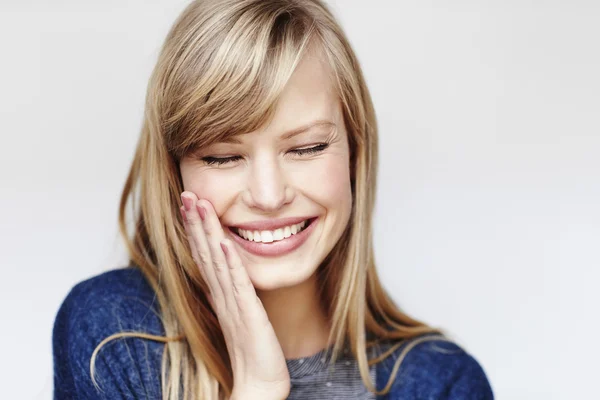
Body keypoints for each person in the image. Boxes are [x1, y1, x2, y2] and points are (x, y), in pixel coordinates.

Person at [52, 0, 494, 399]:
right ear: (175, 173)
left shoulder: (442, 384)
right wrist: (259, 389)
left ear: (355, 152)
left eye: (307, 149)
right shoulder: (116, 334)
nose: (269, 196)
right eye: (223, 157)